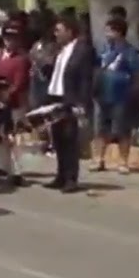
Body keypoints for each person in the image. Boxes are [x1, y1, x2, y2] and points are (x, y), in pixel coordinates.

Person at [45, 16, 92, 193]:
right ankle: (61, 174)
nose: (56, 34)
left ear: (70, 32)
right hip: (55, 97)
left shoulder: (81, 50)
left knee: (69, 138)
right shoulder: (60, 50)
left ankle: (72, 178)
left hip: (70, 100)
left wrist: (81, 103)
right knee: (57, 138)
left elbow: (85, 79)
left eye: (59, 30)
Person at [93, 16, 139, 174]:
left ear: (119, 32)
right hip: (103, 95)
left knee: (123, 129)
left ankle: (123, 161)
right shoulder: (104, 49)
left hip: (121, 96)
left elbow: (137, 74)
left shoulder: (129, 51)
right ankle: (99, 159)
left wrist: (132, 92)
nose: (106, 33)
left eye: (109, 30)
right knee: (102, 128)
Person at [0, 22, 31, 187]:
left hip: (15, 103)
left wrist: (7, 96)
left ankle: (17, 171)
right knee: (0, 136)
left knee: (15, 138)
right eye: (7, 38)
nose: (9, 42)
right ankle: (3, 166)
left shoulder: (21, 59)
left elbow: (19, 83)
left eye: (13, 38)